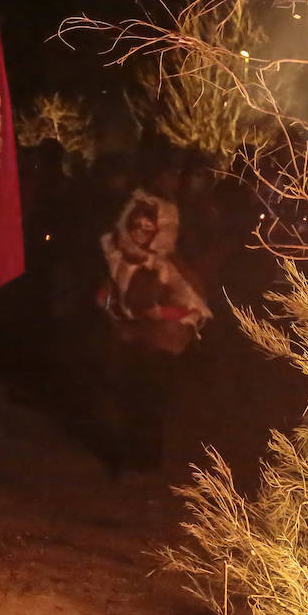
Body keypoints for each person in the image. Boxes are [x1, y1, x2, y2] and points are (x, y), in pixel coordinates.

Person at [97, 188, 212, 475]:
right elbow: (113, 291)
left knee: (150, 402)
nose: (140, 233)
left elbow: (194, 305)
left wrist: (162, 313)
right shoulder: (119, 258)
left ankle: (147, 462)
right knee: (125, 399)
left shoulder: (165, 266)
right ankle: (125, 460)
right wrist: (107, 300)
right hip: (127, 339)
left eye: (148, 229)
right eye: (136, 226)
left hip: (159, 345)